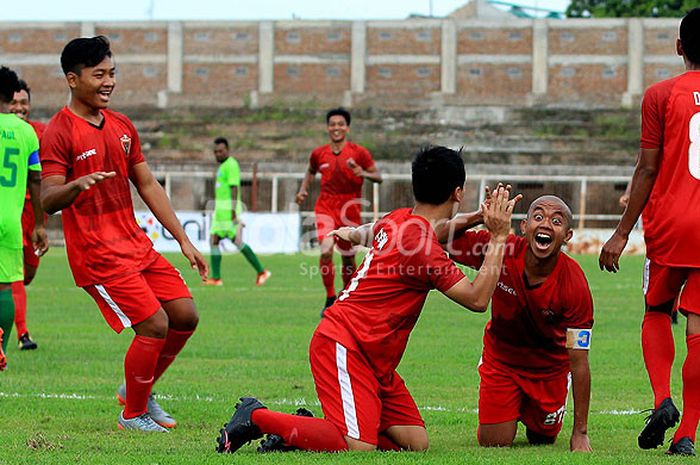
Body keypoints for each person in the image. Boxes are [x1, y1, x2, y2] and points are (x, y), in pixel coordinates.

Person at [215, 146, 520, 454]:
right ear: (458, 192)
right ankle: (256, 416)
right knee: (359, 446)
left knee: (415, 442)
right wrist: (498, 236)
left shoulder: (400, 219)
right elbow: (478, 299)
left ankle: (303, 432)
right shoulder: (423, 247)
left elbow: (372, 232)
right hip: (346, 343)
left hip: (374, 358)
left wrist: (479, 217)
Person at [40, 36, 207, 432]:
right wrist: (74, 187)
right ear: (72, 79)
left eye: (112, 73)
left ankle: (139, 392)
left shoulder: (121, 125)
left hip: (135, 245)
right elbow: (48, 198)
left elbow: (147, 184)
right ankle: (132, 415)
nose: (109, 82)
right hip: (98, 254)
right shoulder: (59, 132)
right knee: (154, 325)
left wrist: (183, 239)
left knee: (184, 315)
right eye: (99, 75)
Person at [599, 8, 700, 456]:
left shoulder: (661, 95)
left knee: (658, 309)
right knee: (699, 327)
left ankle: (662, 399)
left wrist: (621, 232)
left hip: (671, 226)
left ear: (680, 47)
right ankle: (686, 437)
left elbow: (647, 168)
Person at [447, 195, 593, 452]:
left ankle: (546, 407)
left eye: (556, 221)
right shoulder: (499, 248)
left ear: (567, 236)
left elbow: (579, 360)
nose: (546, 224)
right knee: (494, 441)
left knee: (542, 437)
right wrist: (481, 217)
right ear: (524, 227)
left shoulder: (575, 285)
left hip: (549, 369)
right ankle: (506, 401)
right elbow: (440, 237)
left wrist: (580, 432)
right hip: (502, 361)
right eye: (538, 217)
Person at [295, 108, 382, 312]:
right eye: (333, 124)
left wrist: (363, 173)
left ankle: (346, 296)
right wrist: (302, 190)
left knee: (347, 256)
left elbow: (378, 177)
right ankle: (329, 297)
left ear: (347, 128)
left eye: (340, 124)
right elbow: (310, 170)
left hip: (349, 207)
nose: (336, 128)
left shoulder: (359, 153)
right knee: (326, 250)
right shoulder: (319, 153)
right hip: (325, 205)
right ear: (328, 127)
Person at [0, 67, 47, 371]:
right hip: (10, 222)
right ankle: (1, 350)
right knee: (5, 287)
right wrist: (41, 224)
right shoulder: (26, 131)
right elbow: (36, 179)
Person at [205, 137, 271, 287]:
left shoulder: (231, 165)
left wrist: (233, 212)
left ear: (228, 150)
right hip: (221, 213)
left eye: (221, 151)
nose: (218, 154)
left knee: (236, 242)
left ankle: (261, 271)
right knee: (215, 240)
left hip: (228, 212)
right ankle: (216, 278)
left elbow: (234, 188)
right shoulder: (222, 167)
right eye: (215, 152)